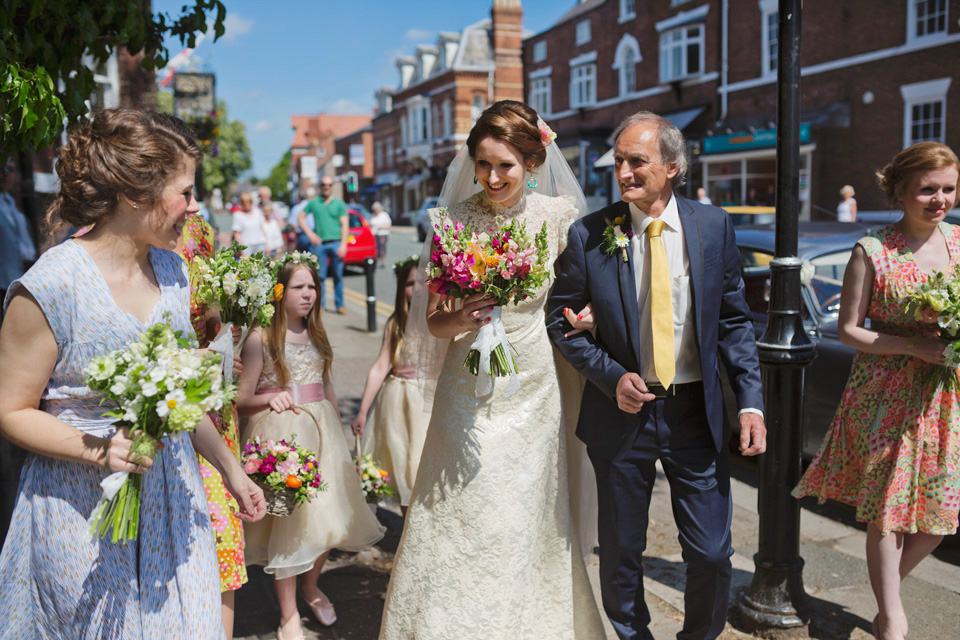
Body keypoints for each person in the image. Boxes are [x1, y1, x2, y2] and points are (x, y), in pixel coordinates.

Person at [0, 108, 266, 638]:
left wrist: (231, 472)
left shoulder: (173, 272)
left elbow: (177, 399)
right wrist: (97, 449)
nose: (195, 208)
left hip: (172, 503)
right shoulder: (51, 285)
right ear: (133, 193)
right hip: (81, 510)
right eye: (185, 193)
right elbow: (9, 409)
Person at [378, 100, 605, 639]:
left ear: (531, 161)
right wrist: (459, 315)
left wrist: (589, 313)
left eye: (505, 164)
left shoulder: (558, 218)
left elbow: (578, 298)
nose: (493, 176)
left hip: (534, 387)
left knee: (522, 510)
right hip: (467, 386)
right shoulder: (452, 221)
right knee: (461, 502)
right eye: (483, 164)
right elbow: (431, 325)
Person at [547, 111, 766, 640]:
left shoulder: (713, 228)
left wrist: (751, 403)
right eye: (618, 161)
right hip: (622, 414)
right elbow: (562, 321)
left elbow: (735, 322)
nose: (623, 171)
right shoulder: (590, 234)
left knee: (713, 554)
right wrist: (610, 376)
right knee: (622, 549)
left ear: (672, 166)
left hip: (696, 412)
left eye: (636, 161)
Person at [793, 141, 960, 640]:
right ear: (901, 191)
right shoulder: (873, 249)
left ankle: (886, 587)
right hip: (886, 391)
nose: (940, 199)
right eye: (927, 189)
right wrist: (911, 345)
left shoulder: (959, 244)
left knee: (940, 511)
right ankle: (891, 614)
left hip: (944, 394)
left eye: (948, 189)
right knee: (889, 507)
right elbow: (849, 330)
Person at [237, 255, 385, 640]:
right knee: (290, 525)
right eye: (299, 287)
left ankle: (310, 585)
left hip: (323, 435)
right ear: (280, 292)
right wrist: (271, 398)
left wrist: (337, 422)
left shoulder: (317, 334)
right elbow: (240, 398)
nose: (309, 295)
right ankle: (288, 615)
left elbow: (327, 383)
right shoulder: (261, 337)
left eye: (313, 287)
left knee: (329, 519)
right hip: (282, 437)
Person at [177, 213, 248, 639]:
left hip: (210, 402)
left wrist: (223, 352)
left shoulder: (199, 231)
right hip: (158, 402)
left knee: (221, 528)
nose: (190, 203)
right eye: (182, 191)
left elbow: (211, 320)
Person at [351, 255, 429, 515]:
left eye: (423, 281)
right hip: (397, 404)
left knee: (425, 465)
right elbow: (380, 367)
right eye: (410, 283)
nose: (417, 288)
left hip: (429, 401)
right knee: (404, 467)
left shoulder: (441, 320)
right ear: (400, 289)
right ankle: (408, 527)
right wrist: (362, 411)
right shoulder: (396, 323)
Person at [299, 177, 348, 314]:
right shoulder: (314, 203)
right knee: (320, 276)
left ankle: (340, 305)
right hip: (320, 244)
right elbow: (300, 217)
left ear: (332, 186)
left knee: (338, 276)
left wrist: (344, 245)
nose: (326, 186)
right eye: (323, 184)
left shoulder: (339, 203)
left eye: (329, 184)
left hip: (336, 243)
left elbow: (345, 224)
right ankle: (321, 306)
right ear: (320, 186)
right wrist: (310, 234)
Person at [0, 158, 37, 308]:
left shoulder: (11, 201)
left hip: (22, 276)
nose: (6, 175)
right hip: (3, 281)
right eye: (3, 169)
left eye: (11, 170)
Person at [369, 201, 392, 267]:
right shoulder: (372, 215)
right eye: (374, 210)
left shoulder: (384, 215)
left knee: (382, 248)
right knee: (375, 249)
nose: (376, 211)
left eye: (377, 209)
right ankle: (375, 261)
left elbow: (388, 225)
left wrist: (379, 227)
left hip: (383, 234)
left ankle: (382, 261)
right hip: (374, 234)